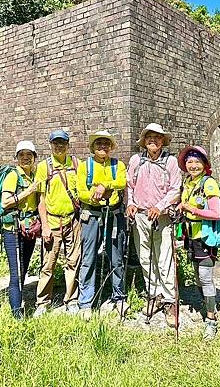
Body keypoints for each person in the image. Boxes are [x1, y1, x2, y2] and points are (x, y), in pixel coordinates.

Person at [126, 123, 182, 328]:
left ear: (162, 141)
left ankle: (170, 301)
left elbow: (176, 189)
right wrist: (131, 204)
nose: (153, 140)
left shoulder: (171, 162)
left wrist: (160, 206)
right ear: (144, 141)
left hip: (163, 217)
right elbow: (129, 186)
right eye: (149, 137)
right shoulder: (135, 160)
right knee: (144, 257)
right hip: (140, 215)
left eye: (157, 137)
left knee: (164, 258)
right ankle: (154, 295)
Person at [76, 130, 128, 320]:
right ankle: (85, 301)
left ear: (111, 147)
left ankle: (119, 296)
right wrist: (95, 196)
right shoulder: (85, 166)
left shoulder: (118, 165)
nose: (102, 147)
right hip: (91, 216)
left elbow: (122, 181)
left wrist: (104, 185)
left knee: (116, 258)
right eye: (99, 144)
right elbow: (80, 191)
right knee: (88, 258)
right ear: (92, 147)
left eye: (106, 143)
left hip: (114, 216)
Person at [176, 145, 220, 341]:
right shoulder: (189, 182)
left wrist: (191, 209)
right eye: (189, 162)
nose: (193, 165)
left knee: (205, 277)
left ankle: (211, 320)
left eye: (197, 161)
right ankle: (207, 306)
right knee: (197, 276)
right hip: (191, 235)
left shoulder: (209, 184)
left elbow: (216, 213)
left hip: (205, 236)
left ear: (204, 164)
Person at [34, 129, 81, 317]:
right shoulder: (44, 167)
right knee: (48, 263)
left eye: (62, 143)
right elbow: (41, 199)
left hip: (73, 220)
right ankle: (43, 302)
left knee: (73, 261)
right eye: (56, 143)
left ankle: (71, 299)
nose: (59, 146)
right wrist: (44, 225)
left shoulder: (77, 164)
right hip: (52, 221)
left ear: (68, 145)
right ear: (50, 145)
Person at [0, 140, 40, 318]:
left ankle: (18, 301)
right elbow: (5, 202)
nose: (25, 158)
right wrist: (29, 191)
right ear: (16, 158)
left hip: (28, 229)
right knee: (15, 273)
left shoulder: (33, 175)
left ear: (34, 158)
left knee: (23, 268)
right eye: (22, 155)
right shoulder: (13, 176)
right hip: (13, 230)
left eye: (29, 155)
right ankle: (16, 315)